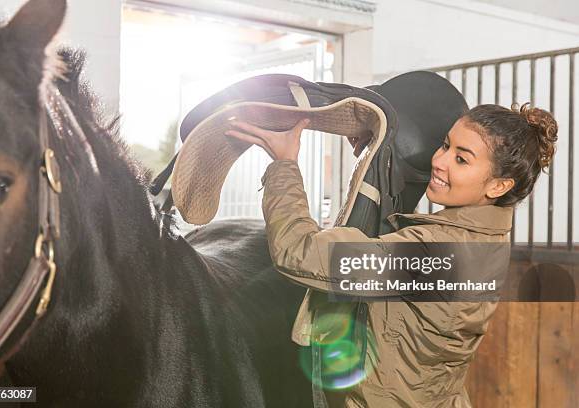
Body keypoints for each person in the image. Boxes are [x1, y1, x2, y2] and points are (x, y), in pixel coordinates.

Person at [225, 102, 558, 408]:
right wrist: (372, 160)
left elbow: (298, 251)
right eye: (445, 145)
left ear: (498, 186)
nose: (439, 161)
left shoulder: (435, 255)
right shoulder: (490, 238)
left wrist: (284, 164)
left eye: (461, 159)